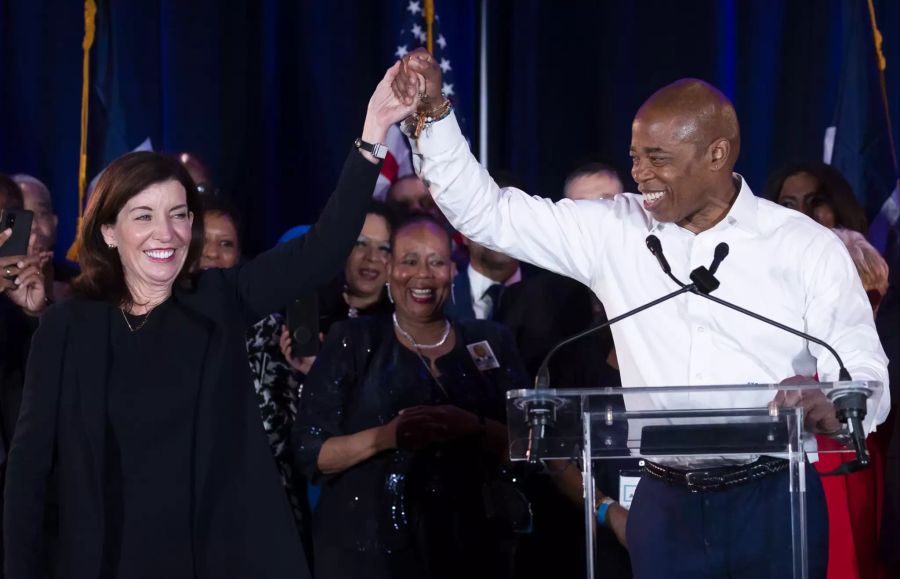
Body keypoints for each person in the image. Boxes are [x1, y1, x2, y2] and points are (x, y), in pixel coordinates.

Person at [388, 50, 889, 579]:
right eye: (634, 156)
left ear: (716, 154)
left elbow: (865, 373)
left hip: (773, 499)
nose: (639, 173)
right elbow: (488, 215)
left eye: (658, 158)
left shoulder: (803, 247)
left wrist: (830, 400)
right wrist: (436, 114)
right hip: (665, 506)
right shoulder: (616, 231)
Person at [3, 62, 417, 578]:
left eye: (179, 215)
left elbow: (324, 249)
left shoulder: (220, 299)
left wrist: (373, 134)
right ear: (108, 232)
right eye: (143, 216)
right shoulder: (67, 328)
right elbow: (28, 472)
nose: (167, 233)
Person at [293, 212, 530, 579]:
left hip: (472, 550)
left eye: (436, 262)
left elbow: (531, 445)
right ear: (389, 269)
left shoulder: (491, 340)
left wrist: (473, 427)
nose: (423, 274)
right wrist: (388, 436)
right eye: (409, 261)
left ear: (453, 271)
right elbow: (312, 452)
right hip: (365, 554)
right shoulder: (353, 340)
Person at [763, 162, 868, 234]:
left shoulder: (860, 264)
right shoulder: (759, 264)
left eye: (815, 201)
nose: (802, 213)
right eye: (788, 205)